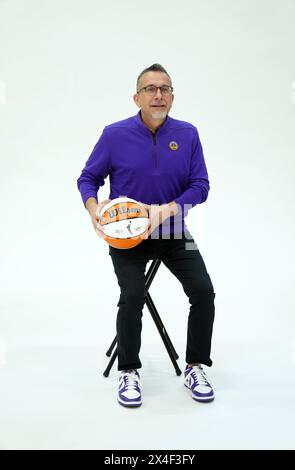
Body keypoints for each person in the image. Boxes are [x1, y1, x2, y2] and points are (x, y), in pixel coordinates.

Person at [77, 63, 216, 407]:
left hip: (172, 230)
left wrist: (168, 209)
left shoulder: (188, 134)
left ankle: (196, 365)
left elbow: (201, 186)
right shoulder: (114, 134)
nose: (158, 95)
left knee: (203, 291)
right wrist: (95, 210)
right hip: (127, 234)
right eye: (150, 89)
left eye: (165, 89)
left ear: (172, 96)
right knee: (133, 294)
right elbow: (87, 179)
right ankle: (129, 370)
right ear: (136, 97)